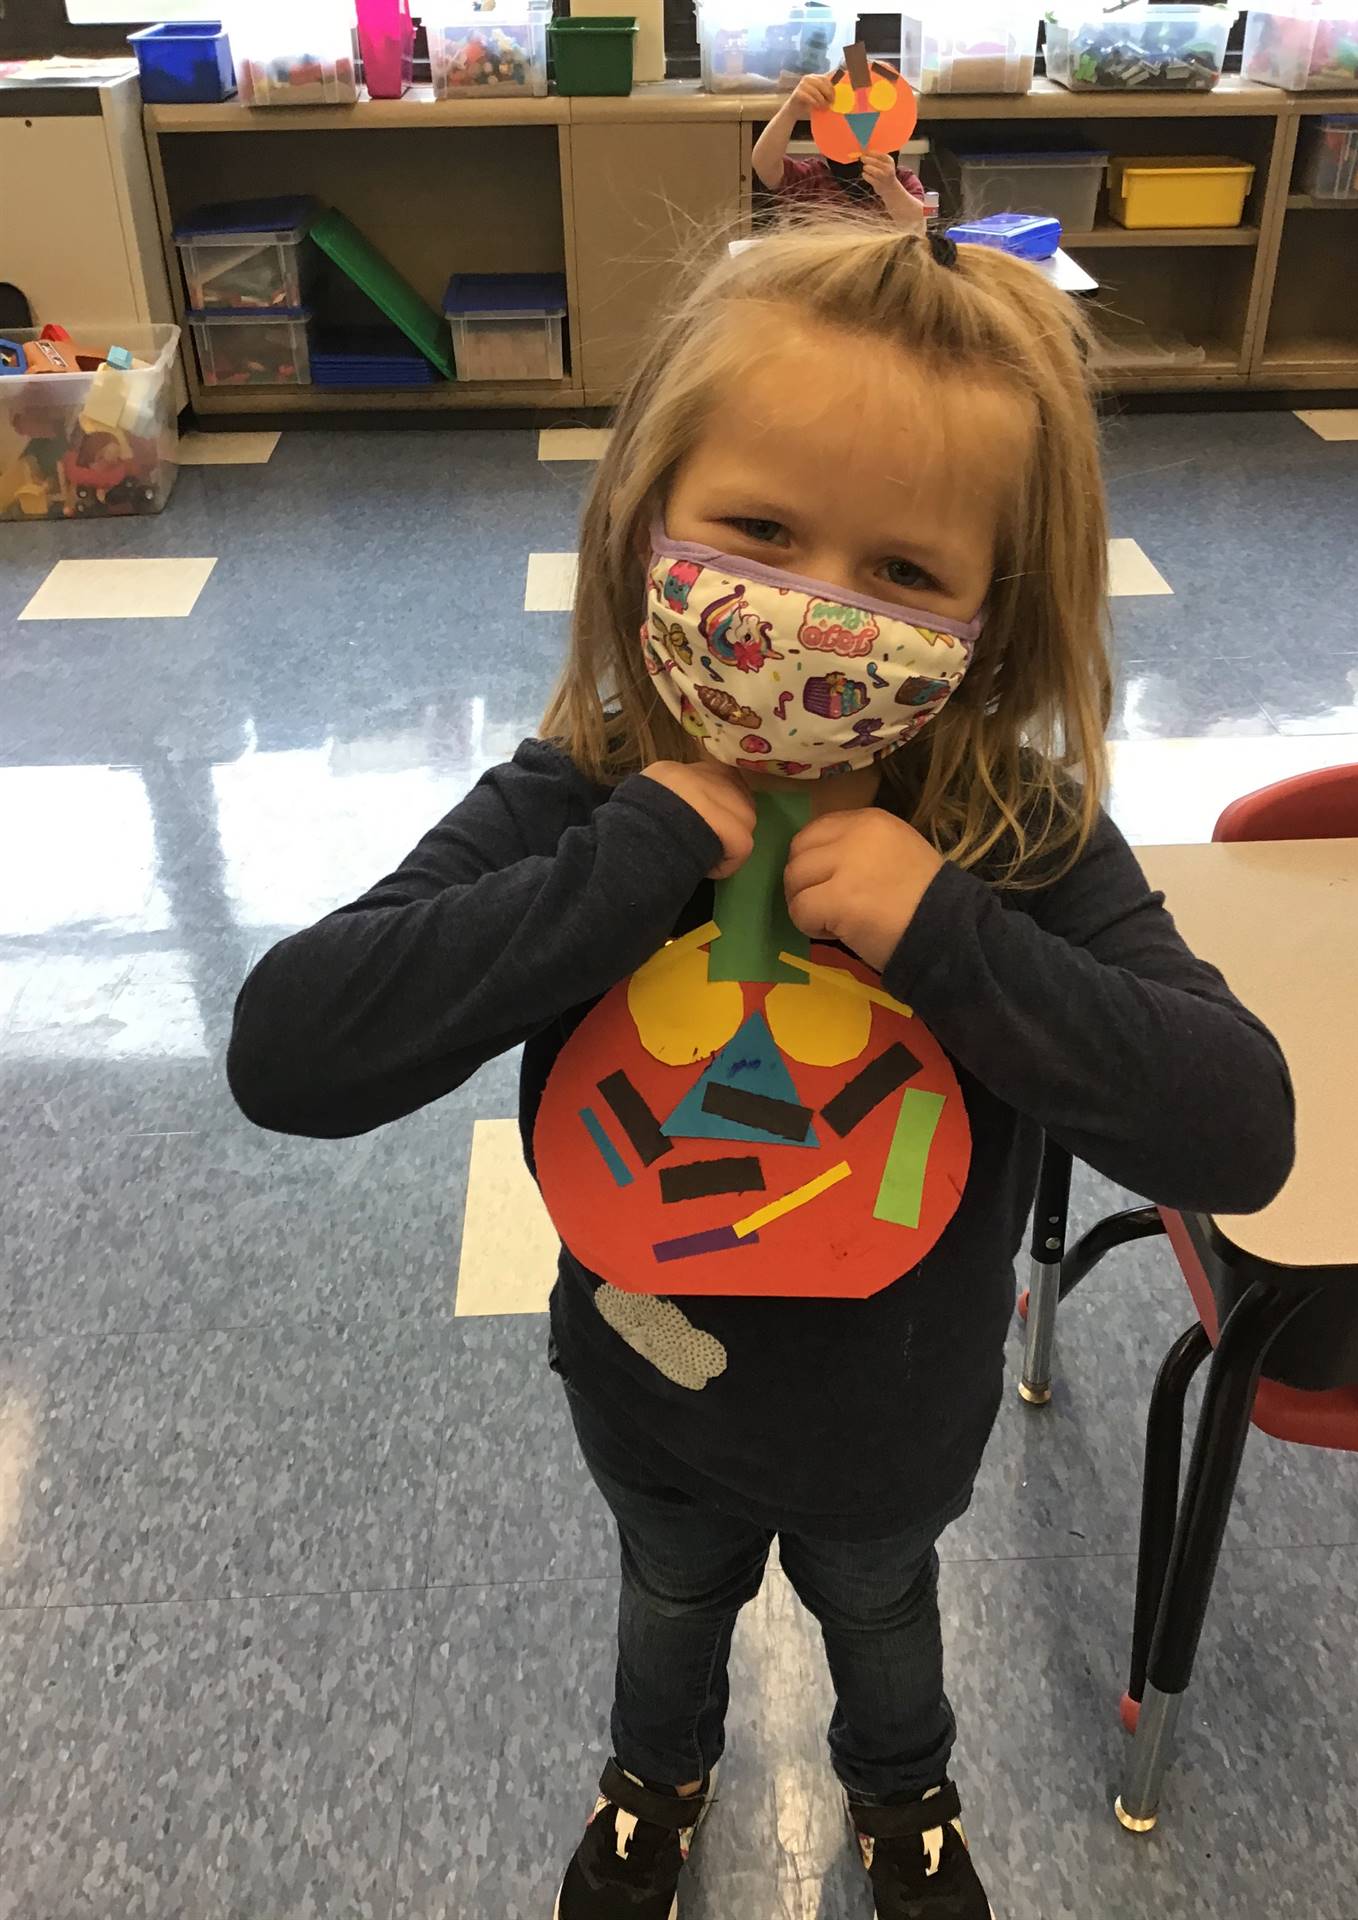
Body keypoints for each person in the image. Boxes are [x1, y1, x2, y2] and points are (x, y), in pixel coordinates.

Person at [227, 224, 1296, 1920]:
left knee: (884, 1618)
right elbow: (292, 1048)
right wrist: (625, 858)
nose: (818, 611)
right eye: (762, 533)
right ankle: (656, 1780)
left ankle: (907, 1798)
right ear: (648, 519)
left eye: (907, 573)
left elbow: (1240, 1129)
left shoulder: (1014, 838)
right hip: (649, 1397)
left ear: (992, 614)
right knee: (668, 1604)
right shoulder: (583, 793)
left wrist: (945, 929)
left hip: (898, 1418)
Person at [752, 71, 927, 229]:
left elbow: (922, 222)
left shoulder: (904, 182)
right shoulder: (812, 181)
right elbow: (764, 164)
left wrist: (891, 189)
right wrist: (791, 110)